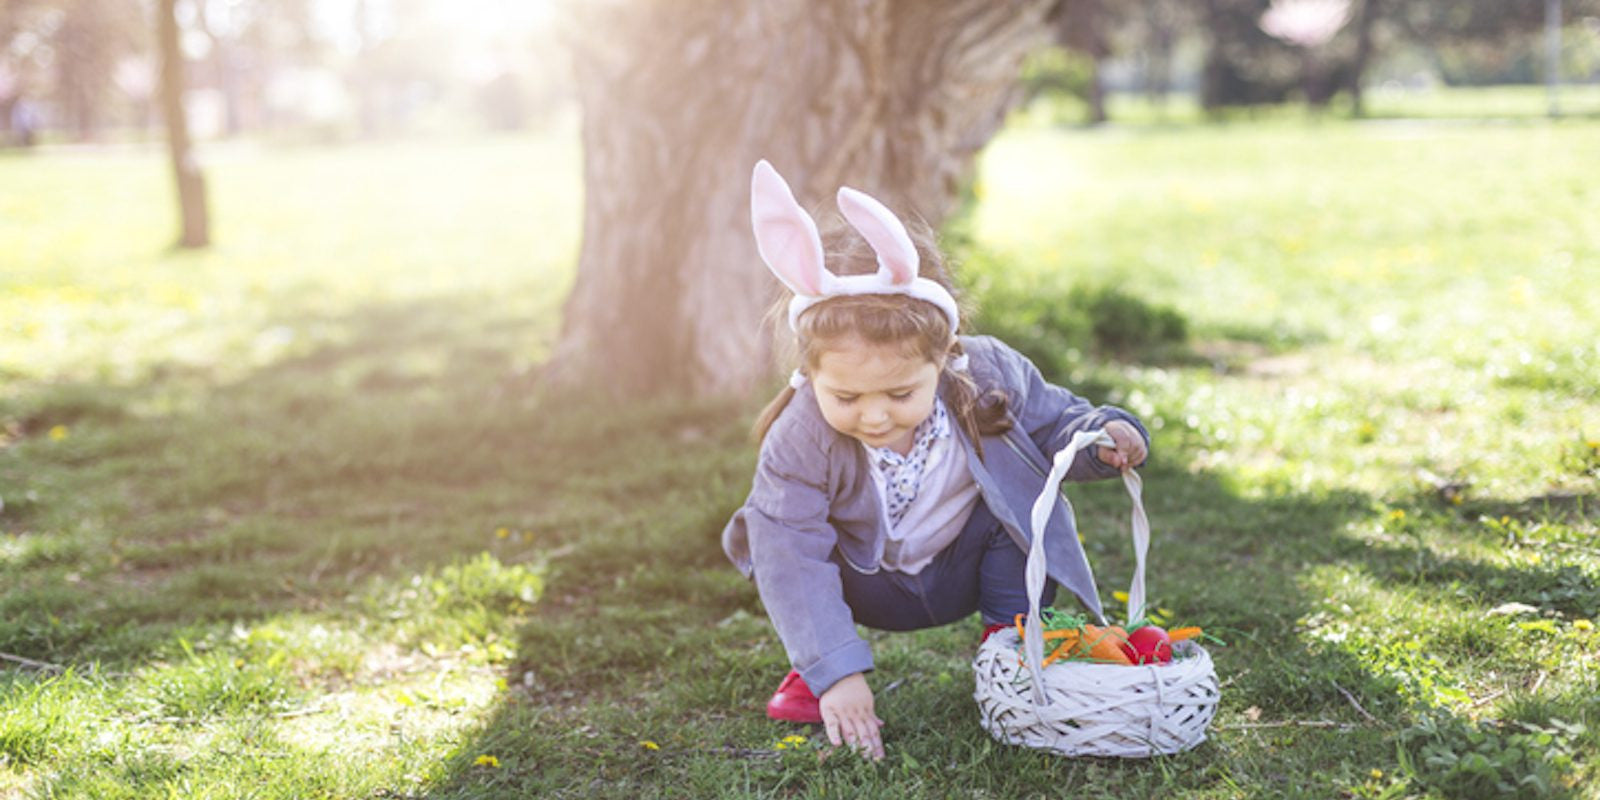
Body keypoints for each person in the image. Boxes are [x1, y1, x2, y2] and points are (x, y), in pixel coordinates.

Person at [722, 161, 1150, 760]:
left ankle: (1010, 653)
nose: (874, 417)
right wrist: (837, 673)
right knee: (793, 555)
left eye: (900, 394)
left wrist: (1103, 436)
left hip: (963, 569)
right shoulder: (801, 434)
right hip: (867, 583)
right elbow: (790, 550)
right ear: (810, 371)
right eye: (846, 397)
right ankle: (819, 667)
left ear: (945, 355)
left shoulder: (988, 371)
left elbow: (1057, 423)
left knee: (1022, 513)